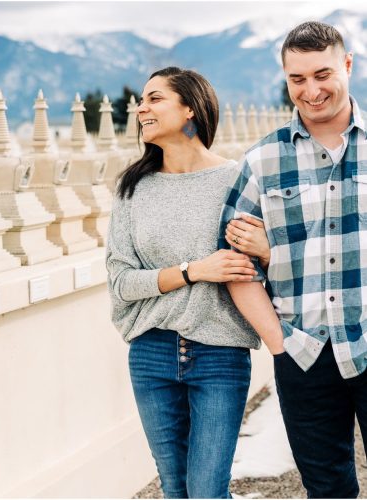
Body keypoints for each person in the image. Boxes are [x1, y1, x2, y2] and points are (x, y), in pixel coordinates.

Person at [106, 66, 271, 499]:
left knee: (206, 491)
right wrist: (193, 271)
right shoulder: (132, 189)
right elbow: (121, 282)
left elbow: (257, 266)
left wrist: (264, 247)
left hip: (220, 353)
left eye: (155, 98)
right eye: (141, 99)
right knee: (175, 490)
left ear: (191, 109)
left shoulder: (237, 180)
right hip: (151, 352)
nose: (141, 108)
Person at [219, 21, 367, 499]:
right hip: (303, 352)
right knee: (326, 485)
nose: (312, 90)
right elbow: (236, 267)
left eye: (322, 74)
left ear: (347, 65)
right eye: (297, 79)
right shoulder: (262, 161)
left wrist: (276, 248)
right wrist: (279, 342)